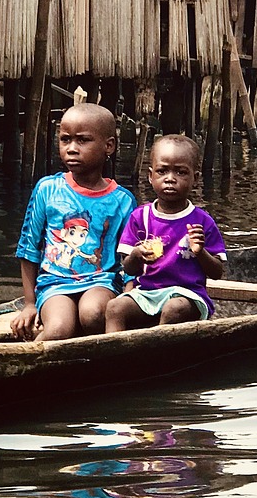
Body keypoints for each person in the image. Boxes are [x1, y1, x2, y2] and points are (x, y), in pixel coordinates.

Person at [11, 104, 135, 342]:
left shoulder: (122, 201)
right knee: (58, 329)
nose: (72, 149)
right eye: (65, 140)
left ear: (108, 146)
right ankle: (25, 372)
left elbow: (128, 255)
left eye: (83, 140)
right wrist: (29, 303)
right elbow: (28, 249)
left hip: (101, 282)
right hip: (54, 284)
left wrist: (128, 295)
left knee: (94, 314)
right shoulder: (47, 190)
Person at [106, 134, 226, 333]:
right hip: (148, 293)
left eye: (180, 172)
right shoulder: (140, 217)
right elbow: (129, 269)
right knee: (114, 308)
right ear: (151, 176)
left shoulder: (202, 221)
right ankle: (113, 356)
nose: (170, 179)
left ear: (195, 178)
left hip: (188, 295)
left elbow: (217, 272)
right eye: (162, 171)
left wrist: (200, 252)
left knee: (174, 309)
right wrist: (136, 254)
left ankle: (158, 354)